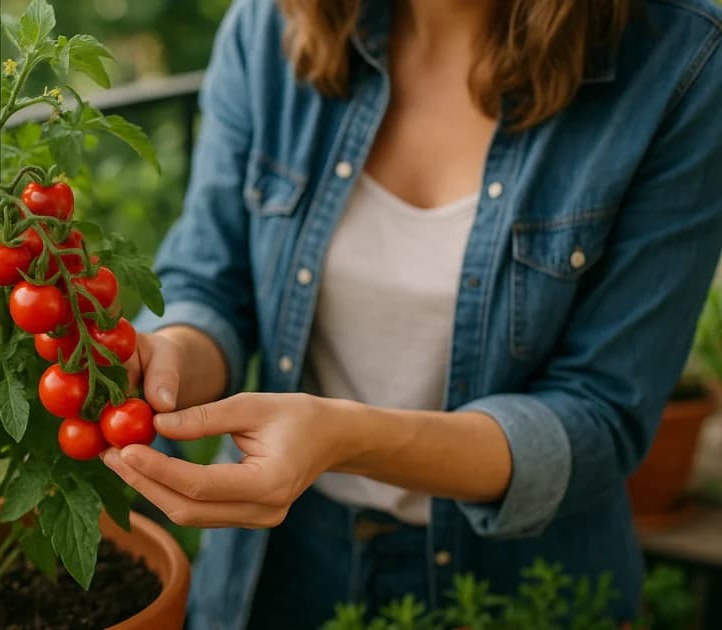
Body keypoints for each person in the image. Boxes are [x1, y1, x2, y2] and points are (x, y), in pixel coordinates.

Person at [105, 0, 722, 628]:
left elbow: (601, 415)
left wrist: (345, 439)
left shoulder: (680, 58)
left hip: (517, 582)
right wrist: (171, 356)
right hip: (277, 565)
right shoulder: (271, 25)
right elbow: (211, 284)